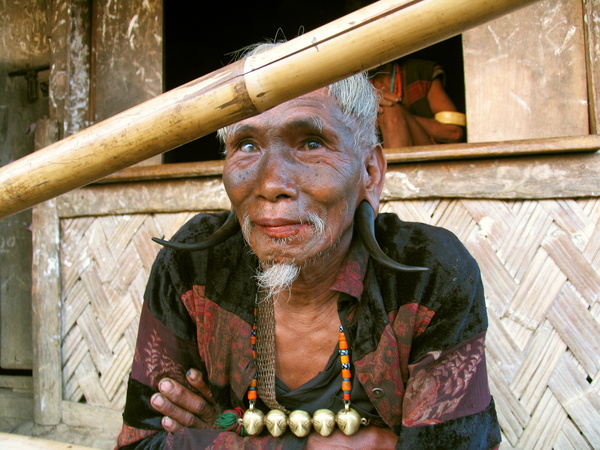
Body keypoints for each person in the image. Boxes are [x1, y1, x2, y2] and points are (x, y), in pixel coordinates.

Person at [115, 43, 500, 450]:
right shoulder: (191, 266)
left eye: (311, 143)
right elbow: (139, 444)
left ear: (370, 172)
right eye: (247, 145)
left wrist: (212, 440)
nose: (272, 184)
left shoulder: (429, 273)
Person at [370, 58, 465, 148]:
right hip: (369, 160)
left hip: (425, 155)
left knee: (389, 111)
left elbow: (454, 133)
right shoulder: (356, 83)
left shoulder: (419, 71)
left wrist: (401, 115)